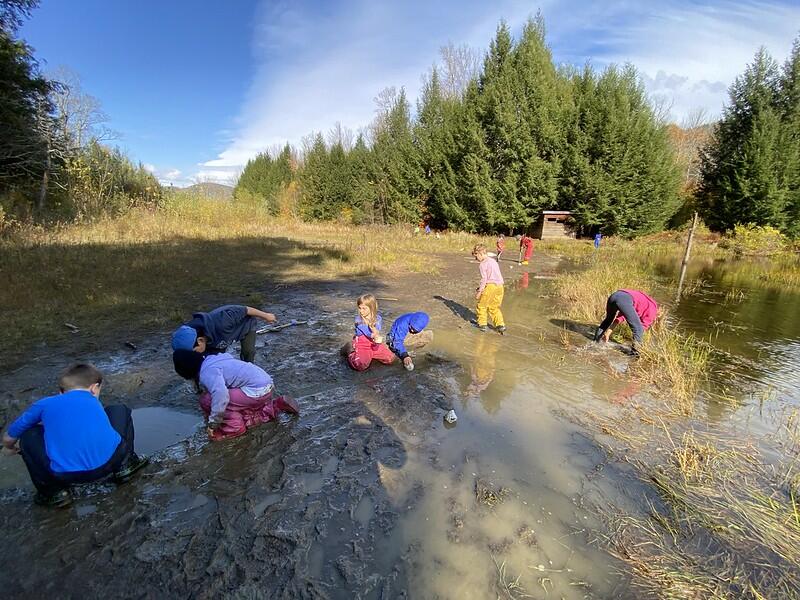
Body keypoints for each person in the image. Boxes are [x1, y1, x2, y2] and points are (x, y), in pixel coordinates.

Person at [1, 363, 146, 507]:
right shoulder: (91, 399)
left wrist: (10, 448)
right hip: (110, 462)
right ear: (94, 388)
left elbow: (8, 438)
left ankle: (54, 493)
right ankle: (125, 466)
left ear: (61, 392)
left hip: (66, 475)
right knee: (118, 410)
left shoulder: (44, 404)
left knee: (28, 434)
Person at [172, 350, 298, 442]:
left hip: (254, 391)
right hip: (267, 385)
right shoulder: (216, 359)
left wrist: (213, 423)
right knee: (236, 400)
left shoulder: (207, 373)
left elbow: (221, 396)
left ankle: (234, 428)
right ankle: (276, 406)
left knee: (207, 400)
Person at [171, 304, 276, 364]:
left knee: (248, 352)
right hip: (219, 340)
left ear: (200, 341)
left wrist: (266, 315)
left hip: (246, 326)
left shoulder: (223, 319)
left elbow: (246, 310)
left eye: (195, 352)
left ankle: (249, 371)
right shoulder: (194, 335)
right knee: (215, 361)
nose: (195, 355)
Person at [593, 289, 659, 355]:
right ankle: (635, 354)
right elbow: (641, 328)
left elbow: (620, 317)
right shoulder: (653, 309)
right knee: (638, 328)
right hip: (624, 300)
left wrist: (608, 333)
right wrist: (638, 341)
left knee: (608, 319)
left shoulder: (645, 302)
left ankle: (595, 342)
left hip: (614, 295)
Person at [345, 294, 396, 371]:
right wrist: (374, 334)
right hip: (363, 345)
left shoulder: (378, 318)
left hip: (374, 344)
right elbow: (367, 333)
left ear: (371, 308)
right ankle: (350, 351)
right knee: (360, 366)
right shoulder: (358, 320)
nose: (361, 311)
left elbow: (377, 329)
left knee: (390, 358)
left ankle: (370, 356)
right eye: (359, 308)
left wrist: (375, 331)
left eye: (364, 308)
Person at [471, 245, 506, 334]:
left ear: (480, 254)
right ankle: (500, 325)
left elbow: (484, 279)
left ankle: (482, 325)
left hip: (490, 286)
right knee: (494, 307)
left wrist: (479, 291)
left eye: (476, 256)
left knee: (481, 306)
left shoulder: (482, 264)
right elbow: (495, 275)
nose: (476, 259)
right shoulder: (493, 261)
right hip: (500, 286)